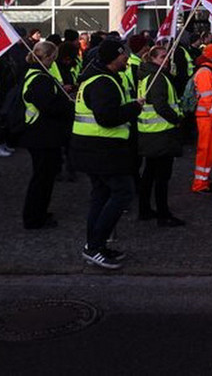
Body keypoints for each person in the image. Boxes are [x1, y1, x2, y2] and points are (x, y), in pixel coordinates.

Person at [70, 38, 143, 269]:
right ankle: (94, 246)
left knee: (100, 196)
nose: (127, 59)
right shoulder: (103, 82)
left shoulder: (100, 78)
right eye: (124, 55)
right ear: (114, 57)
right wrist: (134, 107)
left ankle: (96, 245)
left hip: (94, 149)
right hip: (101, 150)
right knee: (122, 193)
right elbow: (107, 117)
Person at [21, 41, 74, 229]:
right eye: (53, 57)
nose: (54, 61)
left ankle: (38, 213)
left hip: (40, 134)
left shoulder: (36, 74)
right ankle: (35, 217)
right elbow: (49, 106)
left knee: (42, 177)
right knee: (42, 179)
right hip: (42, 136)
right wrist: (69, 105)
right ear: (50, 57)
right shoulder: (40, 78)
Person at [137, 46, 185, 227]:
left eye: (167, 56)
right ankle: (163, 215)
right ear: (153, 59)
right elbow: (160, 105)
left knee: (149, 173)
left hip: (150, 132)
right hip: (161, 132)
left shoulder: (147, 75)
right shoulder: (157, 78)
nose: (166, 60)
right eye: (162, 57)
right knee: (162, 177)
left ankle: (145, 209)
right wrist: (177, 119)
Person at [191, 43, 212, 194]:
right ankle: (200, 183)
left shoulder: (205, 70)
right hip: (207, 117)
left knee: (207, 150)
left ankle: (204, 179)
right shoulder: (205, 72)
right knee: (206, 150)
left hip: (206, 116)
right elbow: (207, 98)